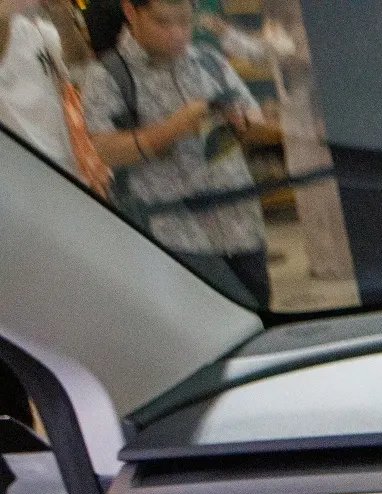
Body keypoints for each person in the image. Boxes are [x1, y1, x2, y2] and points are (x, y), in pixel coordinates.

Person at [82, 0, 270, 306]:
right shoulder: (106, 76)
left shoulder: (209, 62)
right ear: (131, 12)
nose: (178, 33)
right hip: (173, 240)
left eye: (185, 21)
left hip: (241, 227)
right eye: (164, 22)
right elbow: (105, 150)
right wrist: (174, 127)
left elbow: (255, 118)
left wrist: (244, 120)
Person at [0, 0, 76, 172]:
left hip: (65, 164)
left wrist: (64, 20)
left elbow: (78, 68)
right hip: (19, 170)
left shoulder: (38, 30)